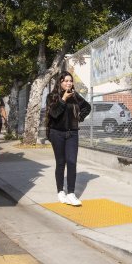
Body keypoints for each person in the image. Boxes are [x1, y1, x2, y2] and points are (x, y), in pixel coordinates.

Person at [45, 71, 91, 207]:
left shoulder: (75, 96)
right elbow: (53, 114)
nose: (68, 83)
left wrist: (79, 118)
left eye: (70, 81)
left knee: (71, 162)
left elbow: (87, 107)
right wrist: (63, 99)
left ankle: (71, 193)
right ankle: (60, 191)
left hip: (72, 133)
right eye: (65, 81)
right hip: (56, 133)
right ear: (60, 82)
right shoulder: (51, 96)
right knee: (60, 162)